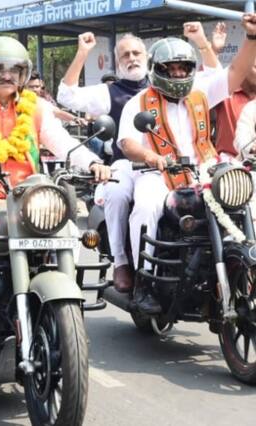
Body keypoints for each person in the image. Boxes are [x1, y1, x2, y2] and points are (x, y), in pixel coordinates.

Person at [0, 36, 111, 351]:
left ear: (23, 73)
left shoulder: (36, 107)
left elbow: (62, 142)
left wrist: (93, 163)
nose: (7, 75)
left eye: (14, 69)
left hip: (29, 199)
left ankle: (65, 309)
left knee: (70, 233)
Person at [57, 23, 220, 293]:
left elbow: (218, 78)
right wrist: (83, 52)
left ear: (149, 58)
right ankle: (123, 263)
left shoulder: (184, 91)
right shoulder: (111, 92)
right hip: (129, 161)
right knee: (118, 193)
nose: (132, 58)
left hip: (177, 163)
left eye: (136, 53)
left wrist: (203, 42)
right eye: (125, 55)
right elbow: (66, 96)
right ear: (117, 62)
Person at [117, 13, 256, 314]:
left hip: (202, 170)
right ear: (156, 70)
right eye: (171, 68)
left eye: (184, 68)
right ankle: (144, 281)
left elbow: (235, 72)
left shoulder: (201, 94)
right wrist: (153, 158)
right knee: (147, 206)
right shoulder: (138, 102)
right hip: (156, 173)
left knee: (244, 198)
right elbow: (127, 143)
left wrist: (252, 38)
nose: (178, 73)